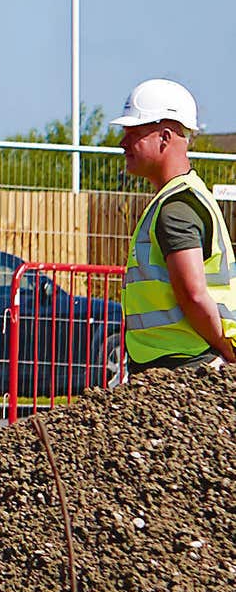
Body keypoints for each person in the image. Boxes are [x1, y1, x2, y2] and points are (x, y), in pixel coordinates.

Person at [116, 79, 232, 376]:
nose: (123, 143)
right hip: (178, 360)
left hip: (184, 364)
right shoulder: (181, 197)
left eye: (134, 133)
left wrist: (227, 350)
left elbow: (193, 293)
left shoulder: (175, 209)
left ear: (164, 137)